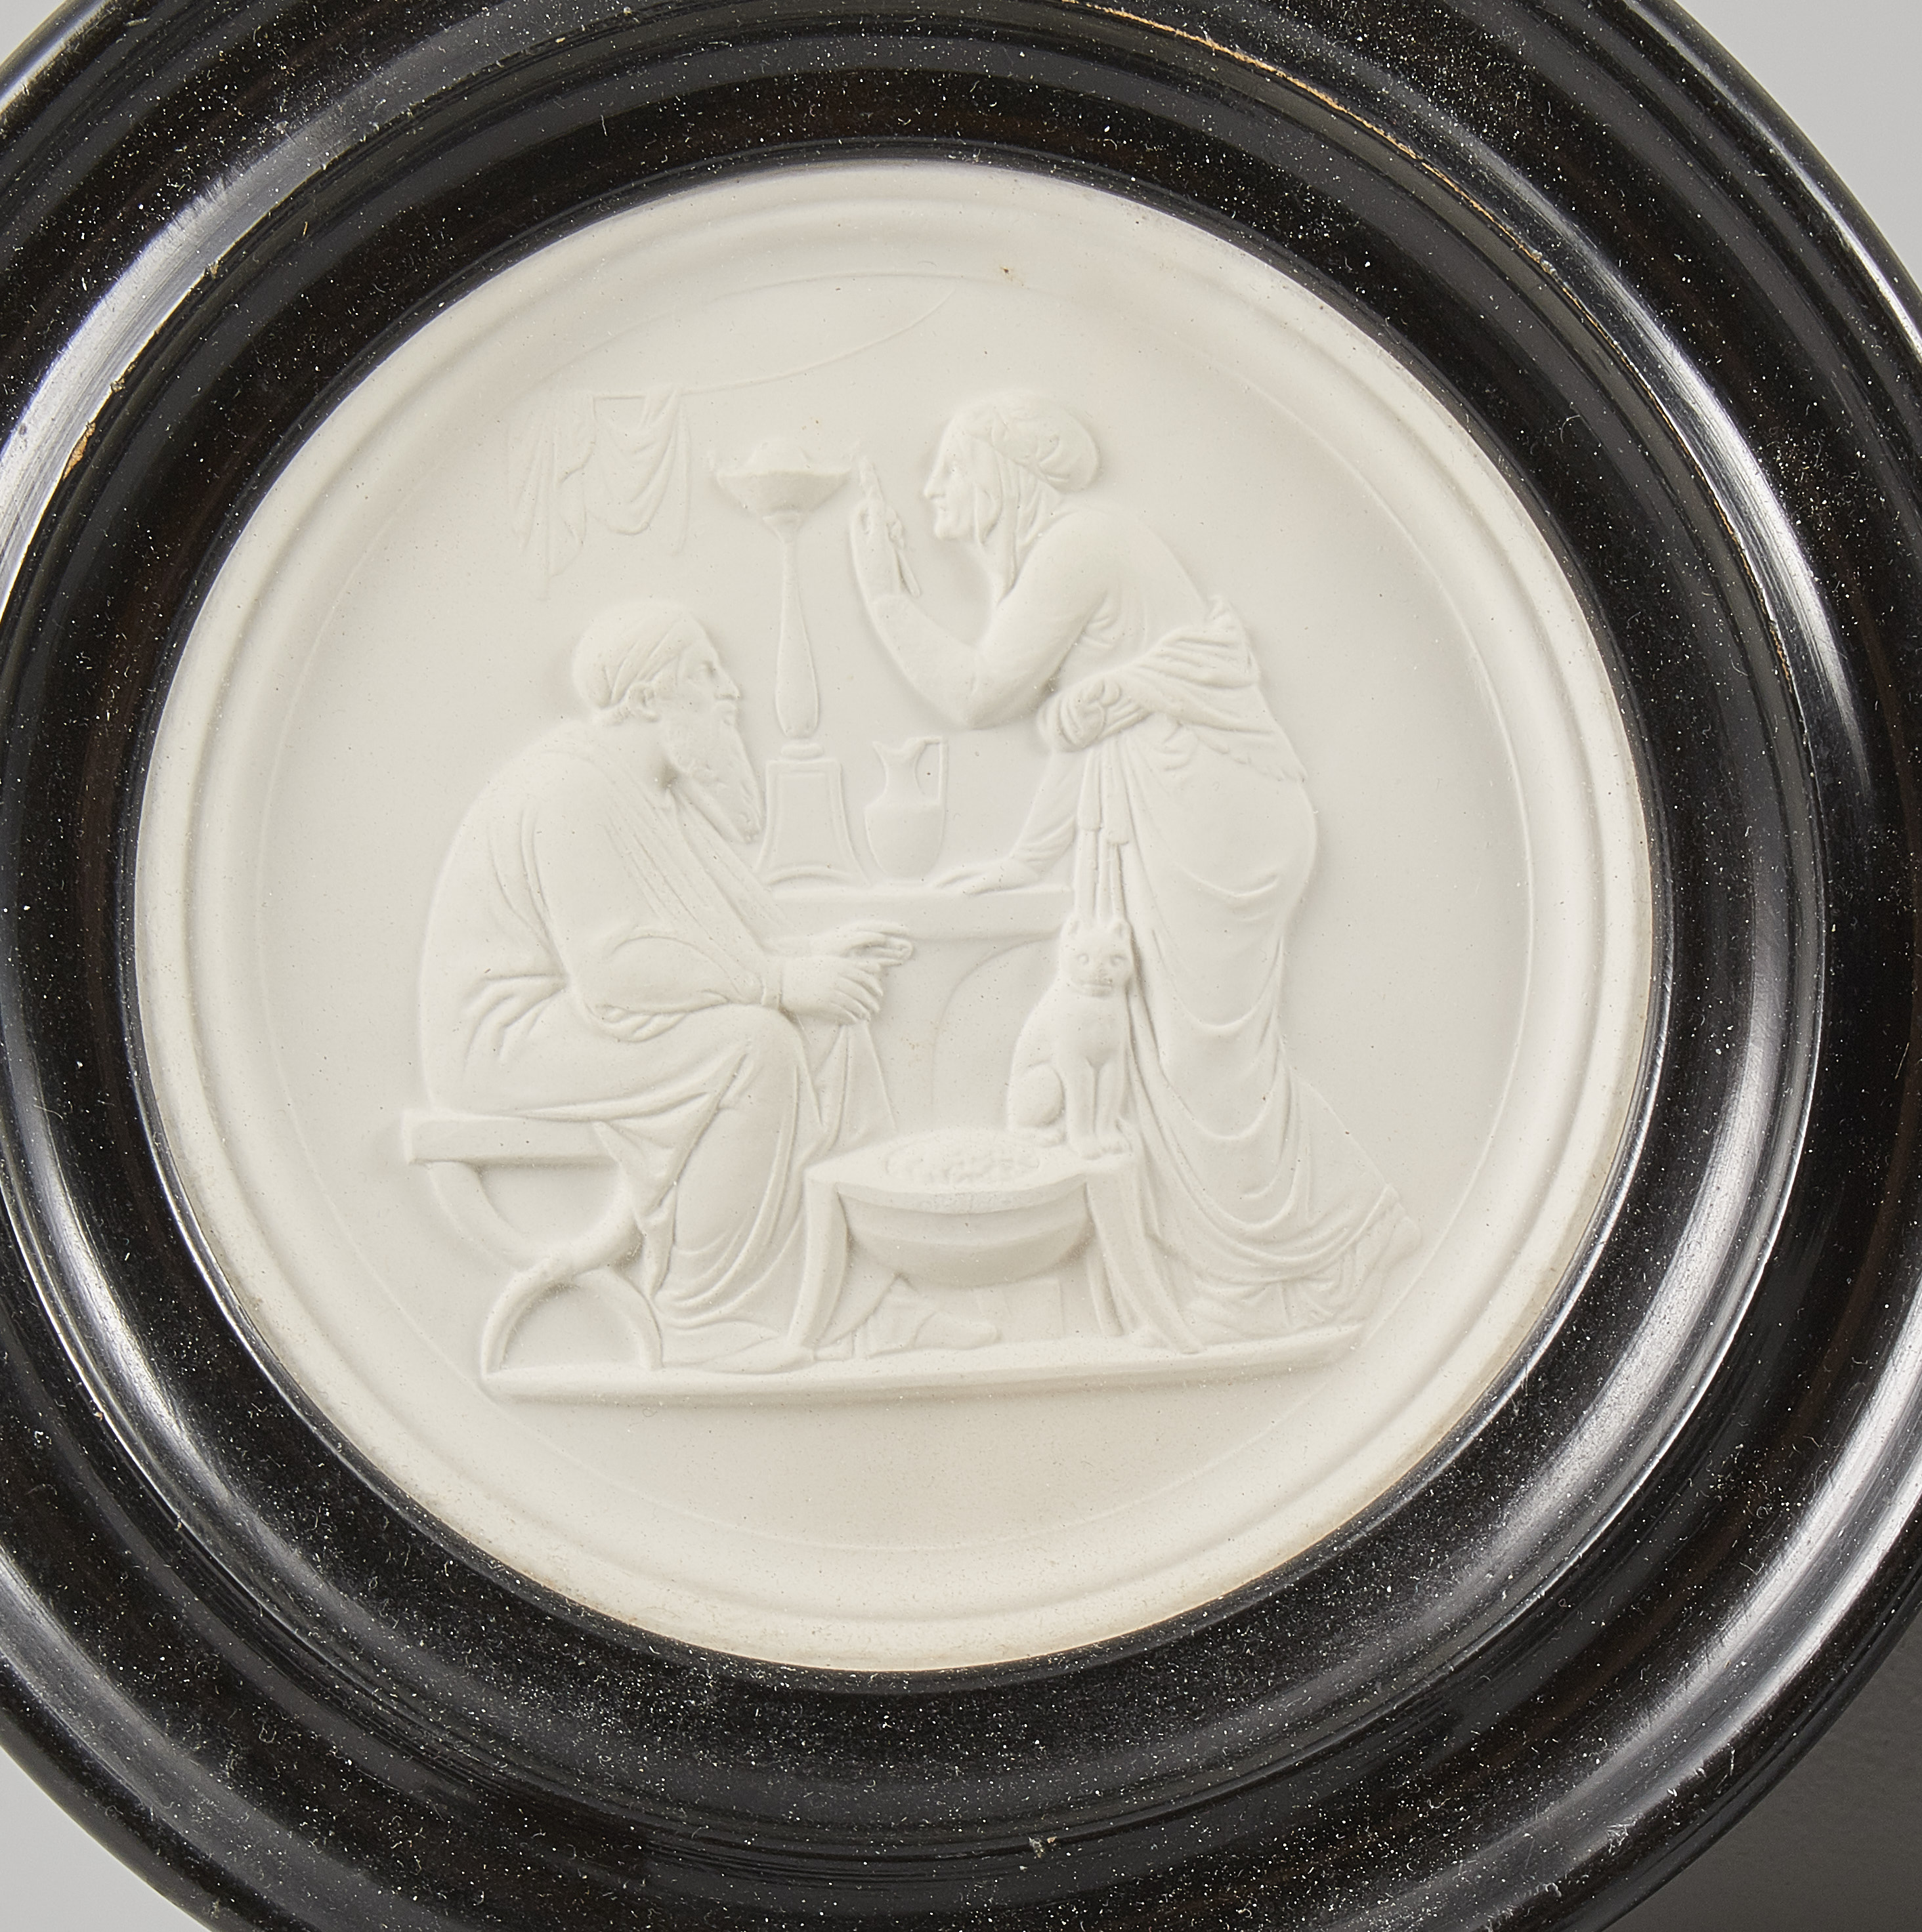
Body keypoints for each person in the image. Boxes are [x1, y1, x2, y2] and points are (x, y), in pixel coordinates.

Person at [849, 394, 1415, 1339]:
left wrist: (885, 599)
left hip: (1214, 819)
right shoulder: (1072, 552)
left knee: (1200, 1059)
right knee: (1178, 1052)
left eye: (951, 466)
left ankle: (1275, 1274)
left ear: (1001, 474)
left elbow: (982, 694)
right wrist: (1025, 859)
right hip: (1190, 808)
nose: (934, 489)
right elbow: (1096, 731)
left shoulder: (1081, 544)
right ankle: (1321, 1246)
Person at [419, 598, 993, 1371]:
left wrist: (808, 955)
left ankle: (860, 1302)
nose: (730, 692)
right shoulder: (571, 789)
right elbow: (615, 969)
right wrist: (781, 979)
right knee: (754, 1048)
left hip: (578, 1020)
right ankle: (702, 1313)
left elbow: (708, 937)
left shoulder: (654, 795)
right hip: (507, 1039)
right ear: (647, 697)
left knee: (835, 1022)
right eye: (705, 672)